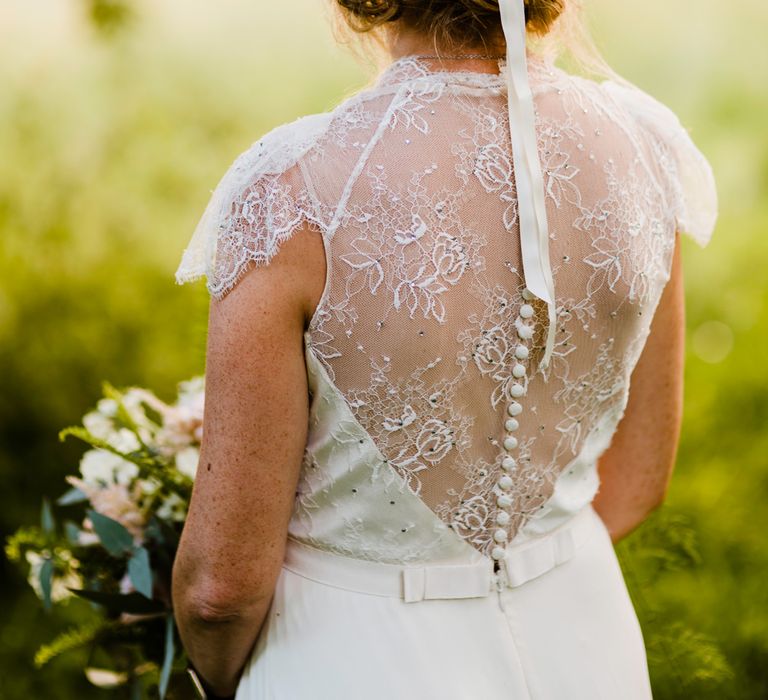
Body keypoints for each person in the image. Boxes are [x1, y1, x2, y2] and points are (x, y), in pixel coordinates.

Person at [171, 0, 717, 697]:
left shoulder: (294, 190)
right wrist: (525, 573)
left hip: (349, 655)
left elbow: (219, 592)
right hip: (583, 641)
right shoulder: (647, 148)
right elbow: (638, 481)